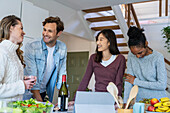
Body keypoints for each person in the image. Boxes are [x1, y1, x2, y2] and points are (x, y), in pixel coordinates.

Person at [69, 29, 126, 105]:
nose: (98, 42)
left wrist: (116, 101)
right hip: (97, 97)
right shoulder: (93, 58)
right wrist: (75, 99)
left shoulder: (120, 59)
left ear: (109, 42)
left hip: (112, 99)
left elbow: (118, 83)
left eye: (101, 40)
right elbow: (85, 80)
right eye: (97, 40)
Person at [24, 16, 67, 103]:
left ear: (59, 33)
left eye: (50, 31)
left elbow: (62, 74)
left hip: (43, 92)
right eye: (44, 30)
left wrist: (62, 100)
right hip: (29, 93)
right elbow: (32, 77)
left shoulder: (62, 47)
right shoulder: (32, 46)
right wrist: (42, 104)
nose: (45, 33)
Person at [124, 26, 167, 103]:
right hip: (139, 101)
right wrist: (125, 102)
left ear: (146, 44)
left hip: (158, 102)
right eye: (135, 54)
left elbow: (162, 85)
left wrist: (136, 81)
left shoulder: (158, 57)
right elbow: (128, 81)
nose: (137, 56)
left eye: (140, 52)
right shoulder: (130, 55)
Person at [0, 15, 36, 101]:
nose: (24, 32)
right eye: (21, 28)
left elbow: (8, 79)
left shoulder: (14, 53)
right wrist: (22, 85)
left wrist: (22, 79)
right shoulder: (1, 52)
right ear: (10, 28)